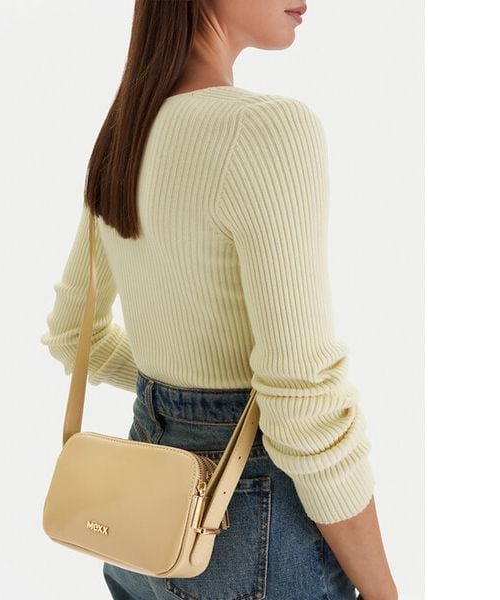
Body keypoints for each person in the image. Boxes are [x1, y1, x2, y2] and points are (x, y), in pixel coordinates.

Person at [40, 1, 398, 598]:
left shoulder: (126, 133)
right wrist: (385, 590)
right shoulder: (269, 130)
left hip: (141, 523)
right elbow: (301, 403)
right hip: (247, 523)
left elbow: (75, 336)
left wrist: (181, 402)